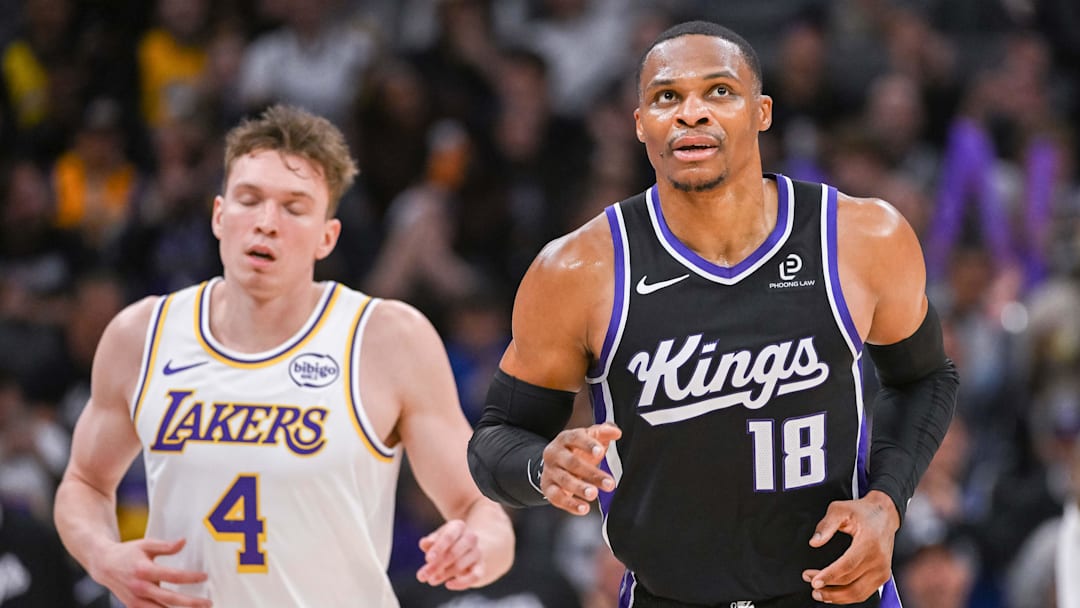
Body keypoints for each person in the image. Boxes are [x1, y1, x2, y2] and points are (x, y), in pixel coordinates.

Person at [468, 20, 959, 608]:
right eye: (666, 97)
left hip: (830, 594)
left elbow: (926, 377)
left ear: (762, 112)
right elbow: (496, 438)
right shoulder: (576, 270)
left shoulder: (860, 237)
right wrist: (540, 467)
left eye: (719, 92)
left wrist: (887, 501)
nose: (691, 113)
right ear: (641, 124)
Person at [53, 104, 514, 607]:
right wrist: (102, 554)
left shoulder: (385, 338)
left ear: (327, 236)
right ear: (219, 215)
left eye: (294, 207)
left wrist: (476, 549)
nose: (266, 223)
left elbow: (480, 508)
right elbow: (83, 481)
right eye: (249, 200)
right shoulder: (141, 334)